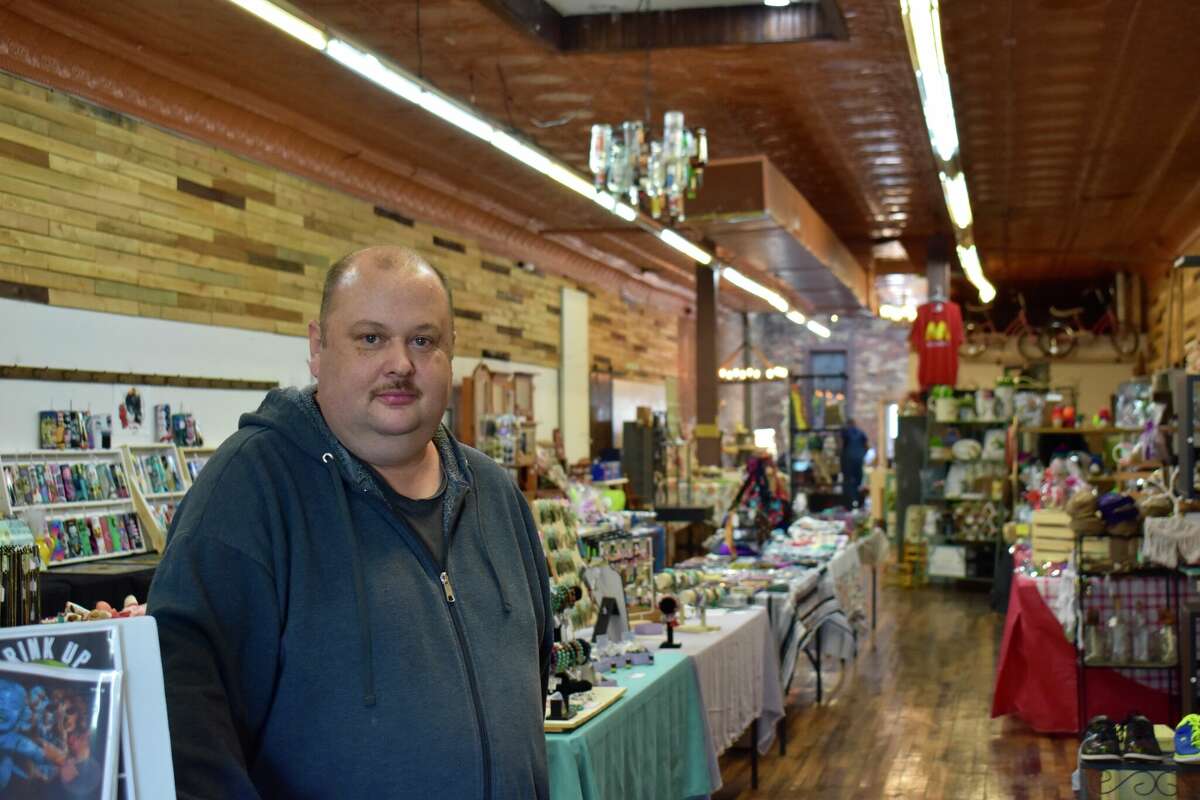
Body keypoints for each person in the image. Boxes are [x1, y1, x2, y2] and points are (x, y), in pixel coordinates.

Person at [148, 246, 553, 799]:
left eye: (423, 340)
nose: (400, 364)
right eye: (370, 338)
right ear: (317, 348)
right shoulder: (248, 492)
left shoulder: (496, 497)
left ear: (450, 354)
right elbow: (185, 723)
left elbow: (532, 677)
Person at [840, 418, 869, 509]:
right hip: (859, 459)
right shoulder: (861, 433)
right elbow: (867, 446)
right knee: (858, 481)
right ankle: (859, 503)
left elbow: (841, 445)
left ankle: (851, 503)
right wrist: (862, 454)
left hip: (849, 460)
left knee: (849, 481)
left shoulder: (846, 433)